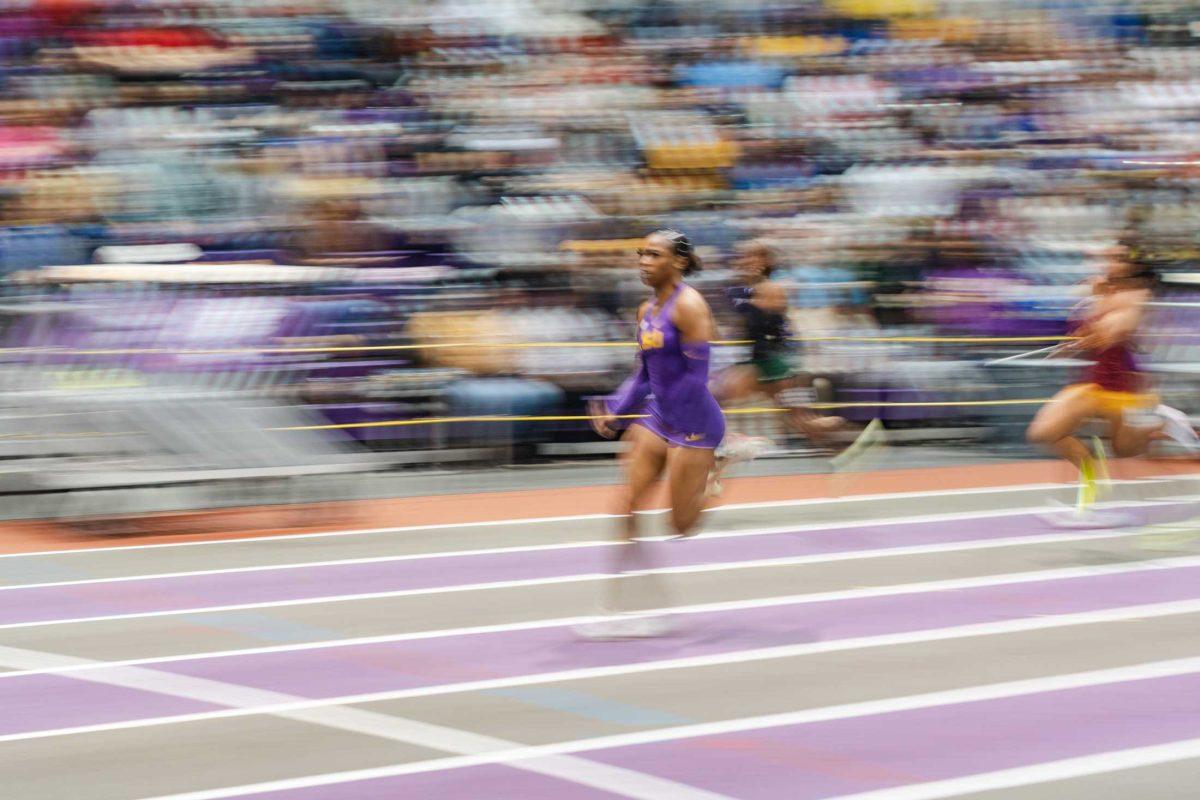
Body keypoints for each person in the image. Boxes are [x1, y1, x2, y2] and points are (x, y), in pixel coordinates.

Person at [579, 229, 725, 637]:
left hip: (695, 424)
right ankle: (613, 608)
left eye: (654, 254)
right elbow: (643, 375)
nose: (644, 261)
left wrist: (692, 440)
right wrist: (618, 410)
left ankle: (721, 468)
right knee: (625, 504)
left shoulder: (690, 307)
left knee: (680, 526)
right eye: (641, 253)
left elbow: (698, 382)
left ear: (677, 262)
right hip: (657, 417)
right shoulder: (646, 310)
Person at [1027, 246, 1194, 516]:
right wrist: (1069, 344)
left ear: (1131, 266)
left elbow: (1116, 331)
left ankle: (1164, 419)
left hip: (1127, 389)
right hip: (1094, 386)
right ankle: (1090, 476)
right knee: (1043, 432)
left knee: (1126, 450)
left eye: (1116, 258)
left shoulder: (1136, 295)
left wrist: (1097, 311)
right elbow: (1082, 330)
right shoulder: (1097, 288)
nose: (1106, 262)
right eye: (1106, 257)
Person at [708, 240, 860, 496]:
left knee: (806, 424)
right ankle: (719, 460)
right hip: (759, 362)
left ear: (766, 262)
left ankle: (852, 435)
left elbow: (759, 318)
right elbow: (742, 324)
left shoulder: (772, 288)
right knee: (802, 423)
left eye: (752, 257)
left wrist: (736, 298)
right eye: (743, 257)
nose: (745, 262)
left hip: (774, 364)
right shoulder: (749, 289)